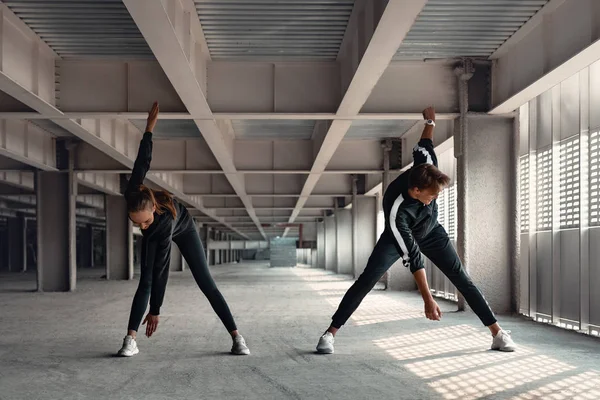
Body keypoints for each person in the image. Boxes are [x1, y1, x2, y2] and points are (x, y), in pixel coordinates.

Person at [316, 107, 516, 354]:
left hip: (432, 231)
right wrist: (428, 299)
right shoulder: (396, 209)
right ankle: (329, 333)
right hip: (397, 237)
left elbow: (424, 143)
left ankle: (497, 333)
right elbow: (413, 257)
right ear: (416, 191)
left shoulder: (426, 167)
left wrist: (430, 121)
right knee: (366, 280)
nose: (433, 200)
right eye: (431, 196)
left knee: (462, 278)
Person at [117, 102, 250, 357]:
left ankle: (237, 338)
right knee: (143, 282)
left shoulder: (163, 223)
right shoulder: (134, 193)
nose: (142, 226)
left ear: (154, 209)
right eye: (137, 223)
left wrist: (155, 309)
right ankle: (129, 340)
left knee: (206, 283)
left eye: (145, 221)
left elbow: (162, 271)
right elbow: (142, 161)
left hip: (183, 227)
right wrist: (148, 129)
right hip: (160, 231)